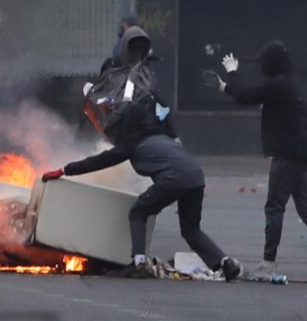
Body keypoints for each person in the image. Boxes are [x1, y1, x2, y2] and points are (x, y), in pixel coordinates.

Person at [42, 98, 242, 281]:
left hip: (174, 179)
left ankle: (139, 263)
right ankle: (225, 263)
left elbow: (100, 161)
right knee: (191, 230)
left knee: (138, 212)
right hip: (196, 177)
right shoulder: (161, 136)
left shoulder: (132, 144)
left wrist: (64, 170)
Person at [205, 41, 307, 278]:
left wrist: (232, 71)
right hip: (299, 154)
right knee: (304, 208)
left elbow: (245, 95)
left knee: (274, 207)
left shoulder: (280, 85)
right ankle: (268, 262)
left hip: (287, 155)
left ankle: (268, 263)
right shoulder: (293, 84)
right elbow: (250, 95)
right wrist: (223, 87)